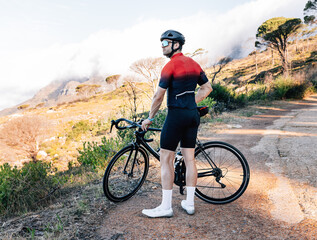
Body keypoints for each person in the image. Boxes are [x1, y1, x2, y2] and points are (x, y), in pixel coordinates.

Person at [141, 30, 212, 218]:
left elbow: (158, 96)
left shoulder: (170, 66)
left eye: (165, 42)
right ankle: (189, 204)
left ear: (176, 45)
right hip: (192, 115)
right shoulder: (194, 64)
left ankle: (166, 207)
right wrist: (191, 103)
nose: (162, 45)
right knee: (190, 159)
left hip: (176, 116)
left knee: (166, 159)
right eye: (162, 42)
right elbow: (207, 87)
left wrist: (149, 118)